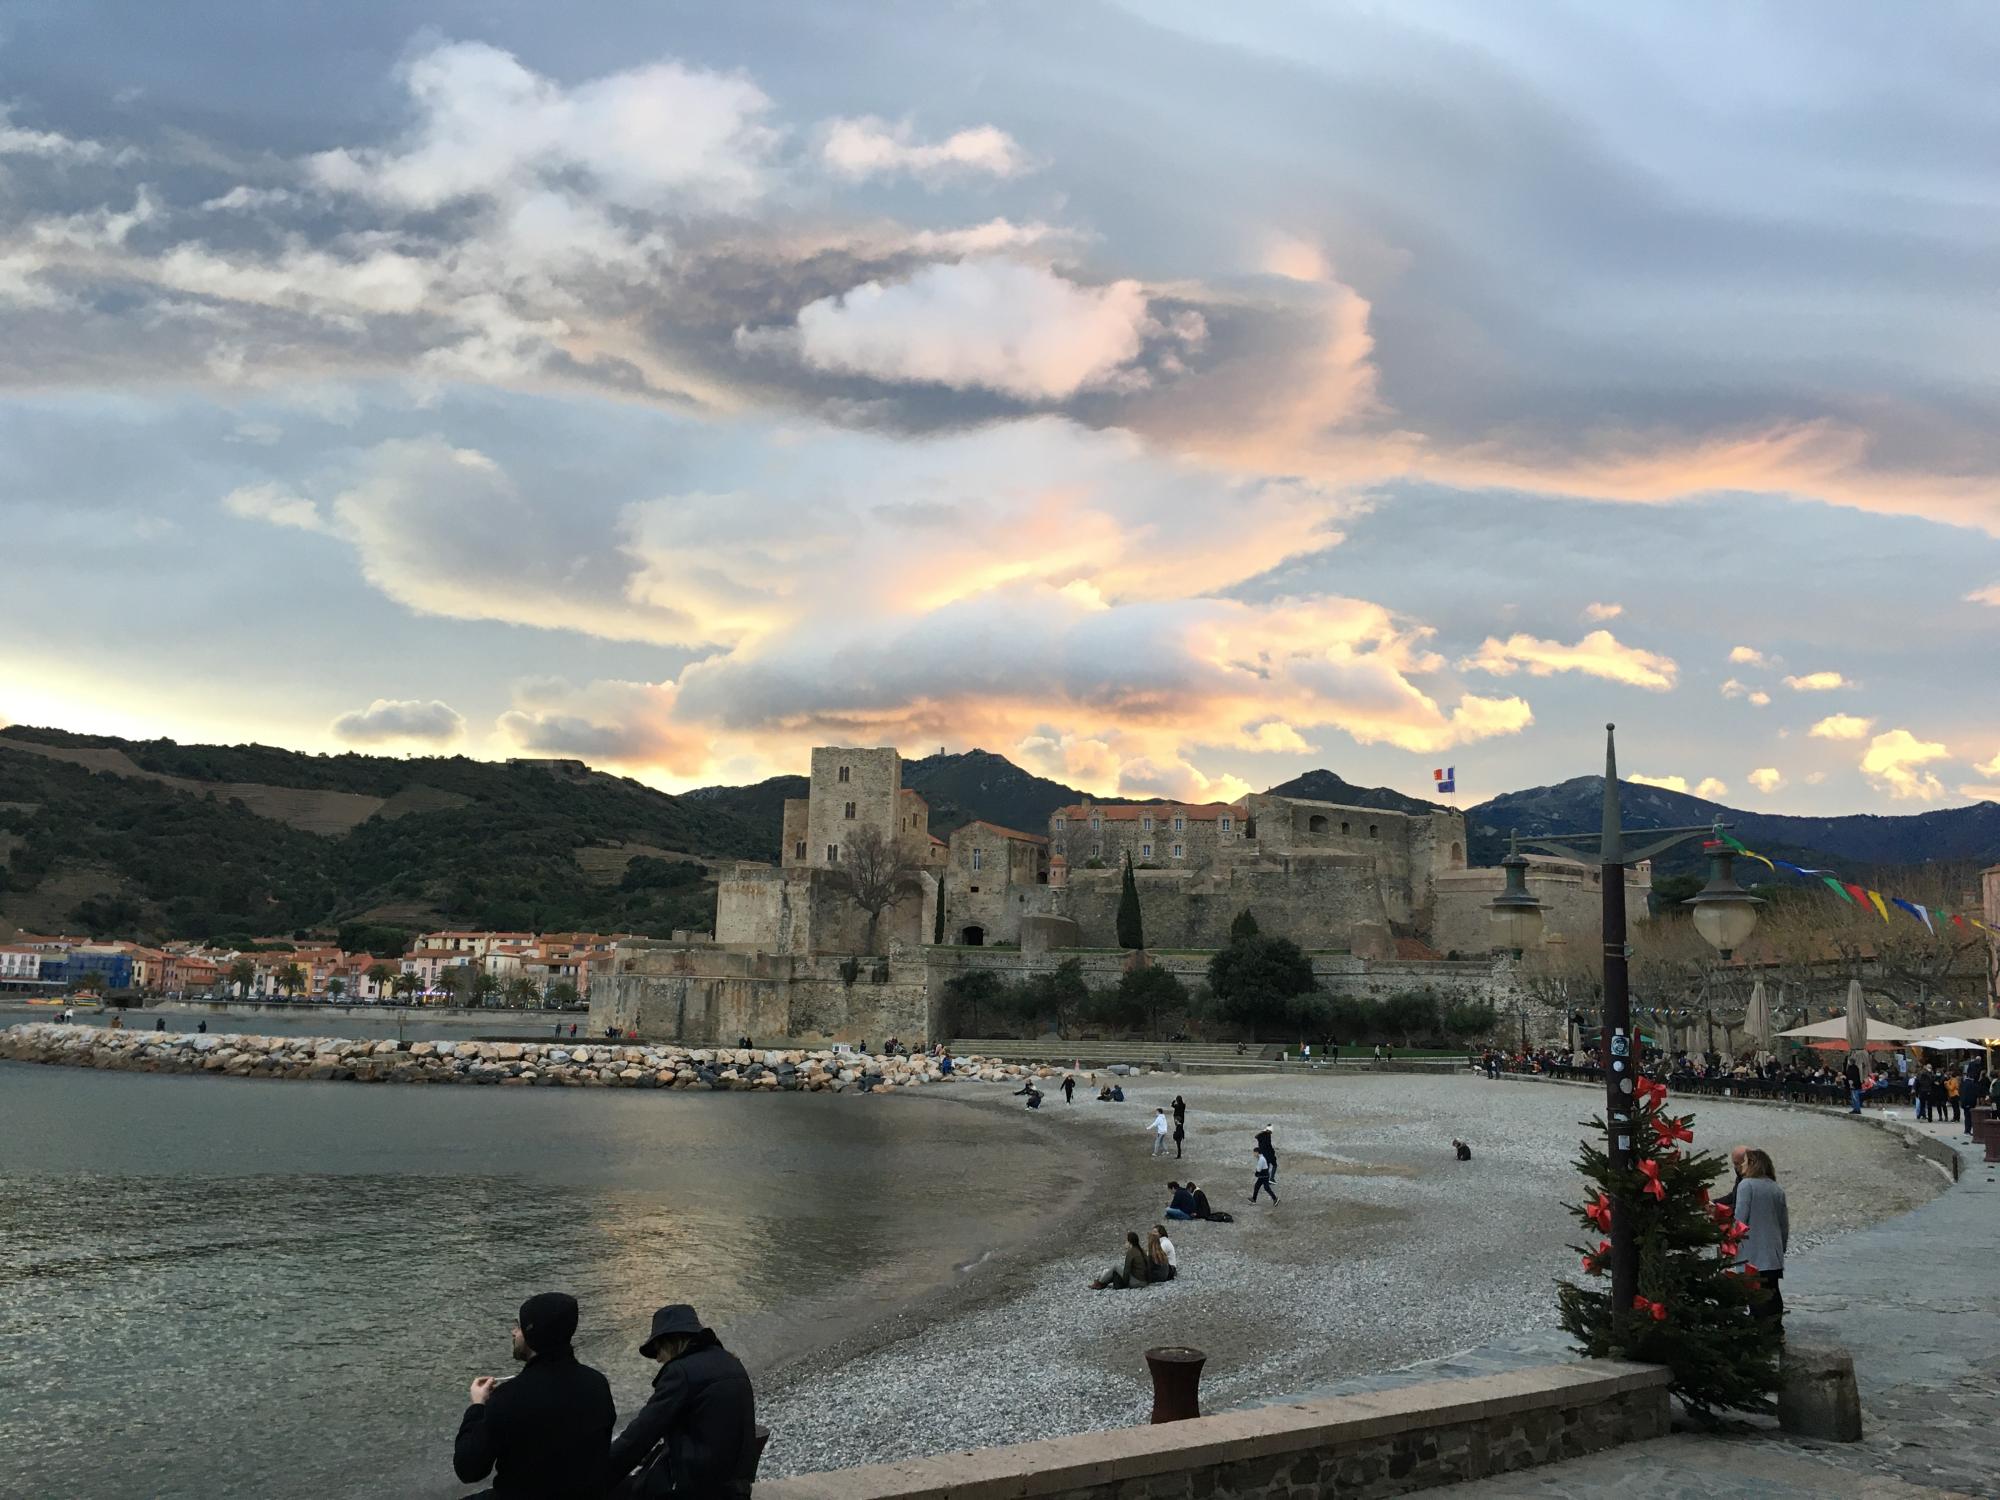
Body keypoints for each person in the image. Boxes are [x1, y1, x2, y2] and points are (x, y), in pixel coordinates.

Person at [453, 1291, 616, 1499]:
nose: (514, 1332)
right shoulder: (597, 1383)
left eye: (519, 1326)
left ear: (532, 1334)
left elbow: (468, 1469)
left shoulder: (509, 1398)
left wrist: (477, 1407)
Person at [606, 1304, 758, 1499]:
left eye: (657, 1349)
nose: (658, 1358)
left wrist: (600, 1474)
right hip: (736, 1488)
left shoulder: (680, 1373)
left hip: (696, 1489)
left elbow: (641, 1434)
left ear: (671, 1341)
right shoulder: (731, 1362)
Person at [1732, 1148, 1789, 1326]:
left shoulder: (1746, 1185)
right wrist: (1782, 1248)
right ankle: (1776, 1330)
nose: (1741, 1165)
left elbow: (1740, 1219)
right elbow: (1784, 1225)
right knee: (1772, 1293)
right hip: (1773, 1253)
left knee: (1755, 1295)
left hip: (1752, 1253)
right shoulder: (1776, 1189)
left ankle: (1760, 1332)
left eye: (1745, 1161)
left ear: (1752, 1164)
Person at [1088, 1232, 1153, 1290]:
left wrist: (1124, 1283)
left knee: (1115, 1267)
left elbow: (1127, 1270)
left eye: (1126, 1241)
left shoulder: (1131, 1252)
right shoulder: (1141, 1251)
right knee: (1117, 1270)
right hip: (1144, 1281)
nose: (1125, 1243)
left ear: (1130, 1242)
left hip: (1137, 1282)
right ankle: (1101, 1283)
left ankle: (1099, 1282)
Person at [1715, 1145, 1750, 1214]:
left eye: (1737, 1164)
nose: (1735, 1167)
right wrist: (1714, 1202)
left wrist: (1718, 1209)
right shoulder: (1741, 1176)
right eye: (1734, 1164)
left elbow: (1742, 1208)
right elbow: (1733, 1196)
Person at [1250, 1137, 1278, 1204]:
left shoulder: (1261, 1159)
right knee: (1258, 1186)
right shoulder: (1261, 1158)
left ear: (1257, 1152)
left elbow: (1259, 1169)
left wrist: (1256, 1173)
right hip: (1264, 1175)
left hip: (1263, 1175)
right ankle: (1254, 1199)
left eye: (1254, 1153)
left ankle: (1275, 1199)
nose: (1254, 1154)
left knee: (1266, 1188)